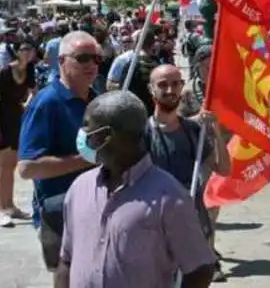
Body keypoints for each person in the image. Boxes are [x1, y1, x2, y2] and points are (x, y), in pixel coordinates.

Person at [55, 91, 216, 288]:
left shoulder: (170, 197)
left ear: (107, 136)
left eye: (88, 126)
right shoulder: (80, 188)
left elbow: (200, 270)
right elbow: (66, 259)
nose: (83, 133)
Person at [17, 31, 99, 272]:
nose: (92, 64)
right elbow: (27, 168)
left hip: (95, 211)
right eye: (83, 58)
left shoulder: (96, 100)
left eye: (96, 58)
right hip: (61, 216)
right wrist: (87, 160)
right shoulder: (46, 103)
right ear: (61, 61)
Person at [147, 64, 231, 282]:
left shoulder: (192, 131)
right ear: (151, 89)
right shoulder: (143, 134)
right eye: (162, 85)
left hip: (193, 224)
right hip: (156, 229)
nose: (169, 90)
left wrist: (216, 132)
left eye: (175, 84)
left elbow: (223, 169)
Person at [0, 41, 36, 227]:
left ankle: (10, 206)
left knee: (11, 165)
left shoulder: (30, 69)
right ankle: (2, 209)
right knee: (3, 166)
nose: (27, 53)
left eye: (29, 50)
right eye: (23, 49)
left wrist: (27, 103)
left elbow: (33, 91)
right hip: (2, 118)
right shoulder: (6, 71)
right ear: (17, 52)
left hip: (17, 117)